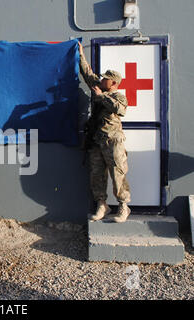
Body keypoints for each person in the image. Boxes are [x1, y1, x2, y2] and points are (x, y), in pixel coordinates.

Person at [78, 42, 131, 223]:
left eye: (105, 79)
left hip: (112, 140)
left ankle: (123, 206)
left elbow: (121, 110)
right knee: (97, 175)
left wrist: (101, 96)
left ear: (113, 83)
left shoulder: (118, 96)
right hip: (96, 141)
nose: (101, 80)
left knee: (118, 173)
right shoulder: (98, 87)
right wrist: (80, 54)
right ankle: (102, 205)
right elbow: (88, 74)